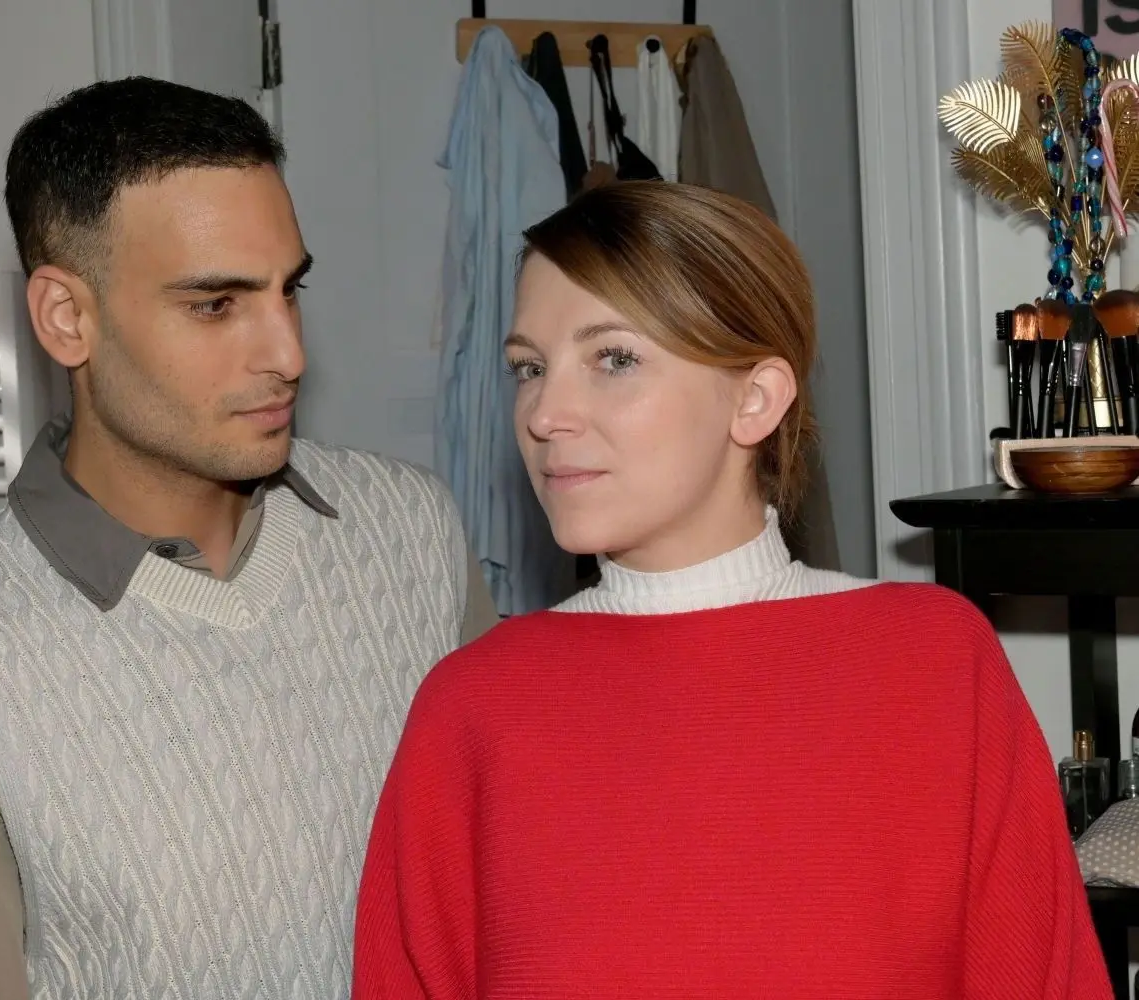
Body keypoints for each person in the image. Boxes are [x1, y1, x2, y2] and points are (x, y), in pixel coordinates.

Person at [352, 182, 1110, 998]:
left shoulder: (931, 662)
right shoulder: (472, 705)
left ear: (755, 398)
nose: (544, 414)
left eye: (613, 358)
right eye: (529, 368)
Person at [0, 76, 497, 1000]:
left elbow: (513, 902)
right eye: (216, 304)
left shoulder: (414, 534)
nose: (288, 354)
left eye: (290, 290)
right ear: (67, 317)